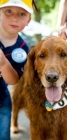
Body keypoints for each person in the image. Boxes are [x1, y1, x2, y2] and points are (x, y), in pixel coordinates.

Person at [0, 0, 37, 139]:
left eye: (22, 14)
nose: (14, 18)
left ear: (29, 20)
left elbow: (13, 80)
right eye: (8, 11)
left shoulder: (21, 49)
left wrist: (3, 63)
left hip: (1, 99)